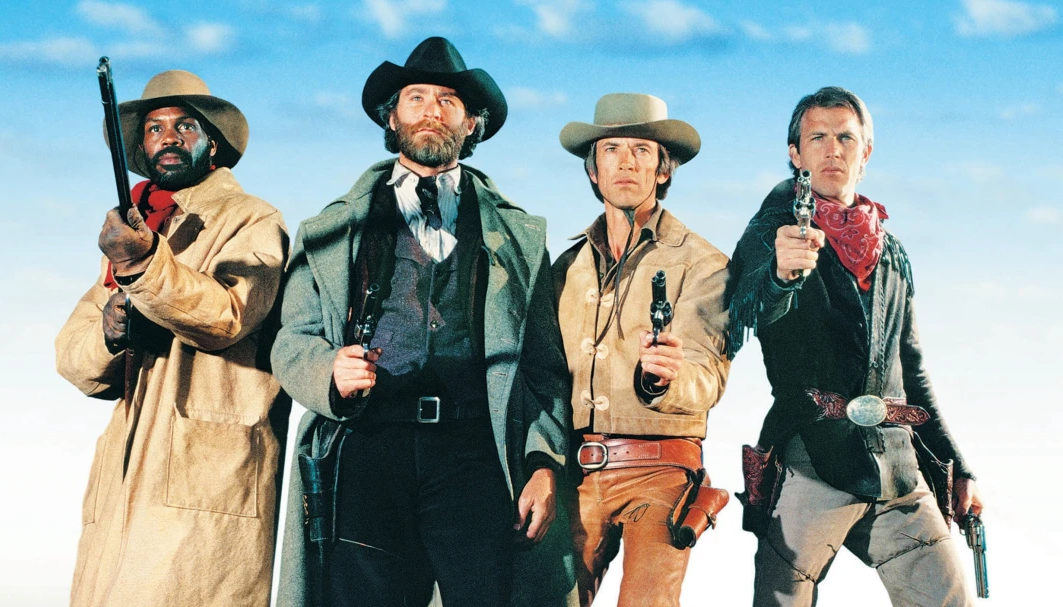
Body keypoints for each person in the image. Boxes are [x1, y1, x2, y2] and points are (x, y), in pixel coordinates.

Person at [271, 37, 574, 607]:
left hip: (475, 451)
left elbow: (542, 367)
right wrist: (328, 370)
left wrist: (541, 462)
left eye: (447, 101)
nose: (431, 111)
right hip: (368, 444)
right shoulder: (332, 229)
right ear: (392, 117)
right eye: (416, 98)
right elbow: (293, 339)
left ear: (471, 122)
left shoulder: (518, 235)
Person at [726, 86, 985, 606]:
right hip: (809, 457)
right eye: (817, 137)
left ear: (865, 154)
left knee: (948, 598)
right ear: (795, 154)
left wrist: (958, 465)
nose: (832, 149)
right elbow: (739, 319)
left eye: (846, 138)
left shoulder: (891, 252)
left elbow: (910, 370)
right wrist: (780, 275)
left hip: (895, 466)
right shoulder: (770, 234)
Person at [55, 70, 290, 607]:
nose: (169, 137)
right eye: (155, 128)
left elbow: (227, 316)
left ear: (212, 144)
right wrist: (111, 332)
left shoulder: (252, 219)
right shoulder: (139, 226)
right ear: (142, 146)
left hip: (207, 473)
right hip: (124, 479)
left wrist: (144, 265)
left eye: (186, 126)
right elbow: (72, 358)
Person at [553, 93, 732, 607]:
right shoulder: (565, 268)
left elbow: (708, 375)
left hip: (661, 470)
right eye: (611, 150)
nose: (626, 162)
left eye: (642, 150)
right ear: (594, 171)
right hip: (575, 472)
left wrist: (666, 377)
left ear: (662, 169)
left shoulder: (703, 263)